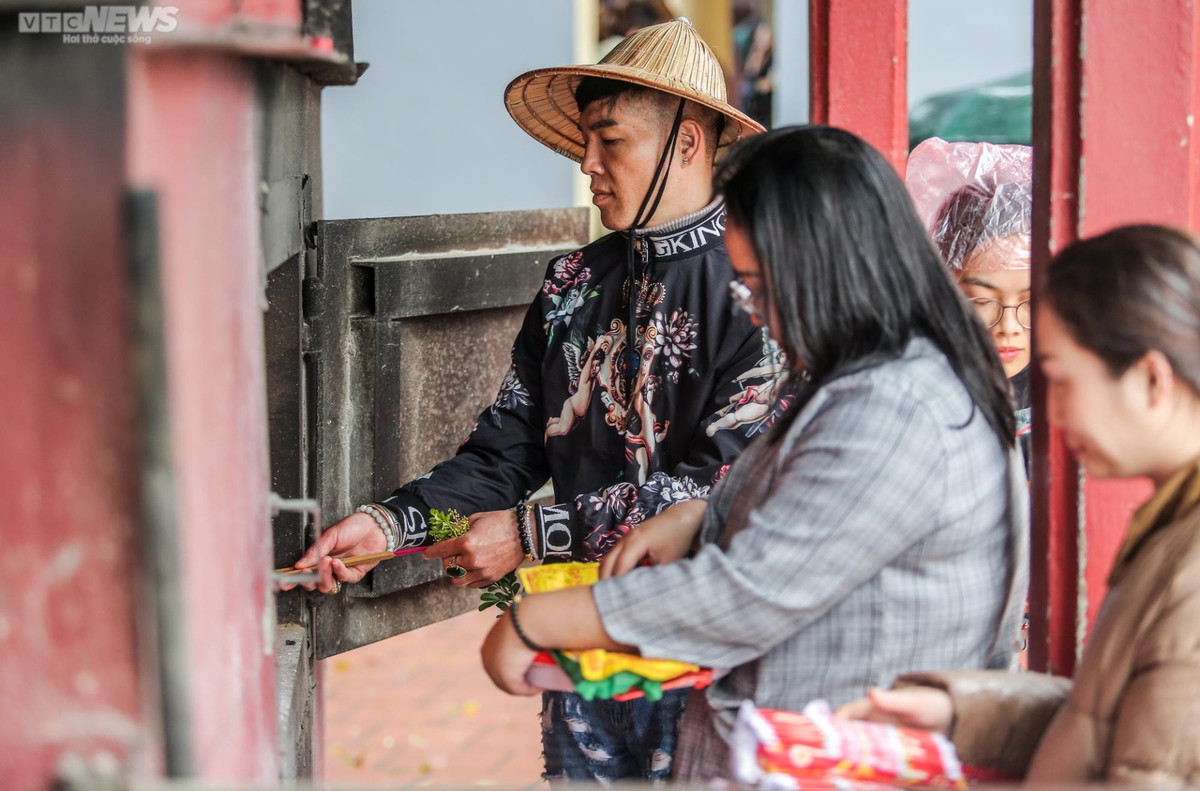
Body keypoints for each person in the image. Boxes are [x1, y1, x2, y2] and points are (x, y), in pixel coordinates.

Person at [285, 18, 779, 783]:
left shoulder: (760, 292)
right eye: (584, 140)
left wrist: (531, 531)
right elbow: (504, 454)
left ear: (686, 143)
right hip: (582, 657)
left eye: (609, 141)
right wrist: (392, 523)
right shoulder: (572, 284)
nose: (587, 164)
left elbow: (723, 491)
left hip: (719, 660)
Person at [480, 126, 1030, 782]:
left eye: (756, 285)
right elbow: (816, 519)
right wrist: (702, 520)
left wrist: (538, 619)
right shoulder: (872, 376)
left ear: (821, 267)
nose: (755, 312)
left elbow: (750, 594)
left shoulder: (898, 403)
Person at [838, 224, 1200, 785]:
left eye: (1060, 380)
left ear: (1151, 378)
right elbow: (1114, 723)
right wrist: (958, 711)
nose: (1052, 413)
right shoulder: (1174, 522)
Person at [906, 137, 1034, 463]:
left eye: (1031, 303)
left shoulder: (1073, 398)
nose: (1009, 326)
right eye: (981, 301)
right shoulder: (909, 397)